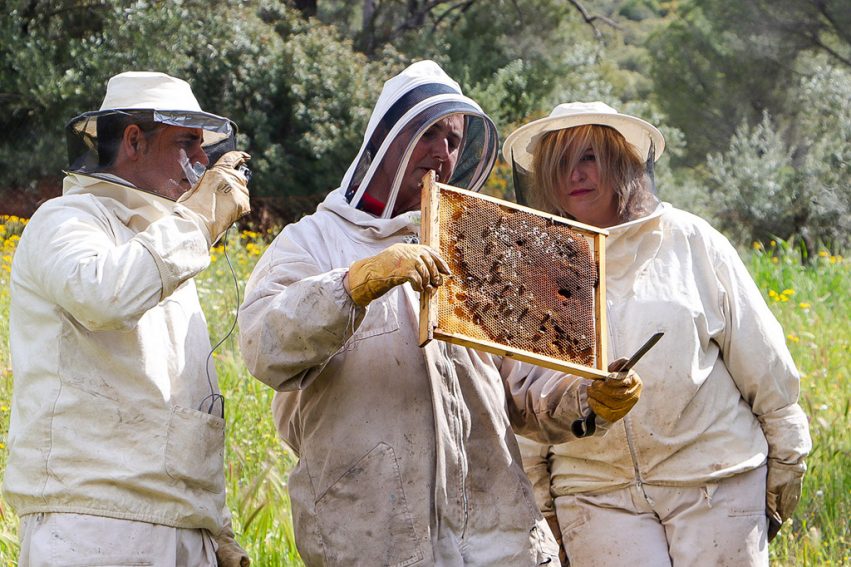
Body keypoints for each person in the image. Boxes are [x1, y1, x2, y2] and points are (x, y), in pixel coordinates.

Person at [237, 61, 643, 566]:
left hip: (498, 542)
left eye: (453, 141)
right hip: (371, 539)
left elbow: (522, 390)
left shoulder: (476, 246)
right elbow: (264, 348)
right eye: (428, 133)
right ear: (385, 139)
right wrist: (354, 285)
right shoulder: (313, 241)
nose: (442, 153)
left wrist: (587, 397)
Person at [503, 101, 813, 566]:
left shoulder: (691, 240)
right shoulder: (536, 269)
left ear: (621, 164)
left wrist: (788, 451)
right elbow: (527, 401)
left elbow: (760, 358)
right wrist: (541, 504)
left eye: (588, 157)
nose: (575, 175)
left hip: (714, 478)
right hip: (594, 491)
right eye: (560, 163)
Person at [4, 71, 252, 567]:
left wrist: (215, 525)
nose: (201, 163)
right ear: (134, 141)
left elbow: (186, 404)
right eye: (187, 143)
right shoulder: (67, 219)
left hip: (181, 525)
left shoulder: (168, 246)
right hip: (92, 524)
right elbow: (105, 297)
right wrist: (198, 222)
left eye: (203, 148)